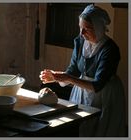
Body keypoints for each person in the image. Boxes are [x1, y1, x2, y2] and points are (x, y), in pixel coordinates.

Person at [39, 4, 126, 137]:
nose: (82, 33)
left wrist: (68, 78)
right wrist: (56, 77)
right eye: (80, 28)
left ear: (98, 27)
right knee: (82, 127)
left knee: (101, 129)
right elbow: (73, 70)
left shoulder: (110, 49)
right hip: (81, 90)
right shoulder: (80, 42)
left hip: (105, 93)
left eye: (87, 29)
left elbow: (98, 85)